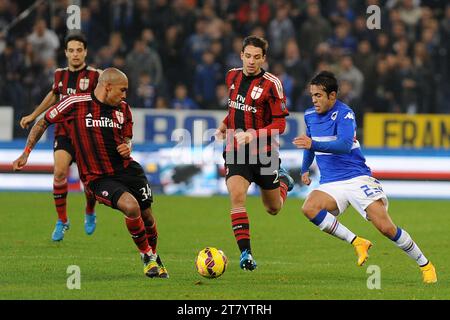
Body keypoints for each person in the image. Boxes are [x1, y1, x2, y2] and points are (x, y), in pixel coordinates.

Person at [13, 68, 168, 278]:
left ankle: (154, 255)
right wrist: (26, 153)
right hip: (97, 177)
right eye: (122, 90)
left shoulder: (123, 109)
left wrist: (127, 145)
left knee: (148, 217)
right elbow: (43, 122)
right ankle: (147, 257)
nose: (125, 95)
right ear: (107, 87)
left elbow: (126, 138)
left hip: (127, 170)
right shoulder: (75, 103)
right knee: (131, 208)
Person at [293, 71, 437, 284]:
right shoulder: (309, 115)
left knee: (386, 228)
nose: (314, 100)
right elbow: (309, 143)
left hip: (357, 178)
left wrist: (312, 144)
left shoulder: (345, 114)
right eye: (312, 95)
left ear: (332, 96)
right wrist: (305, 168)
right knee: (309, 207)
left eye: (319, 96)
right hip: (331, 182)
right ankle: (357, 242)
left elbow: (342, 145)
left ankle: (425, 264)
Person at [215, 36, 294, 271]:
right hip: (236, 150)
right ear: (241, 55)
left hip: (264, 153)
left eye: (256, 57)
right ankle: (246, 254)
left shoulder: (272, 84)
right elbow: (235, 109)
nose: (251, 61)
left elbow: (280, 125)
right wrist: (224, 124)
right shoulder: (232, 76)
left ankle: (283, 182)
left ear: (264, 58)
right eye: (247, 56)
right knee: (237, 196)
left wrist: (253, 134)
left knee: (274, 208)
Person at [20, 33, 100, 241]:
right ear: (65, 52)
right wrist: (33, 115)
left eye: (79, 50)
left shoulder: (95, 76)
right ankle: (62, 220)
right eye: (71, 50)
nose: (75, 54)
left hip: (86, 135)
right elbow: (54, 95)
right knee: (59, 173)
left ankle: (90, 210)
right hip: (64, 132)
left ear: (85, 52)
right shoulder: (59, 75)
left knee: (89, 182)